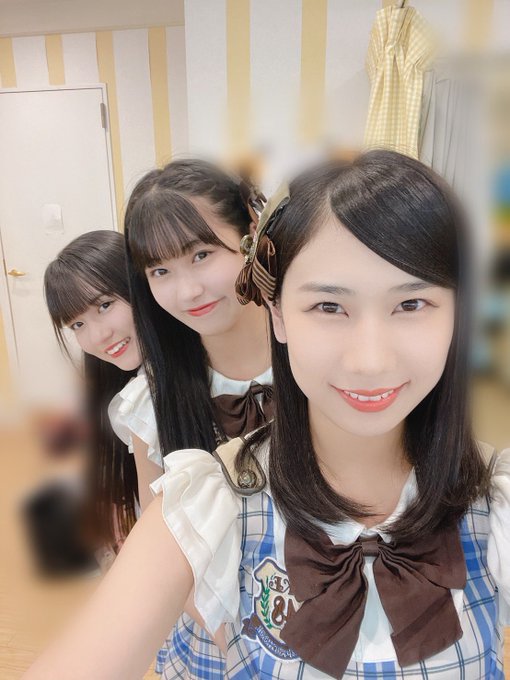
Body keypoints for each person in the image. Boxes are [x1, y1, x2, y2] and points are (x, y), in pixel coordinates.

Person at [27, 150, 510, 679]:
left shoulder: (490, 503)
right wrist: (230, 637)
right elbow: (164, 540)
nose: (369, 362)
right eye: (329, 307)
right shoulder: (201, 485)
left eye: (411, 304)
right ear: (280, 314)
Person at [122, 158, 273, 676]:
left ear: (251, 232)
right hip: (215, 634)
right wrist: (231, 642)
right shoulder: (153, 399)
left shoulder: (323, 363)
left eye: (202, 255)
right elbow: (164, 543)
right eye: (160, 271)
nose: (187, 291)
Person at [44, 230, 146, 549]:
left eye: (104, 305)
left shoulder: (147, 397)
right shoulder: (126, 394)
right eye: (78, 325)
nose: (98, 337)